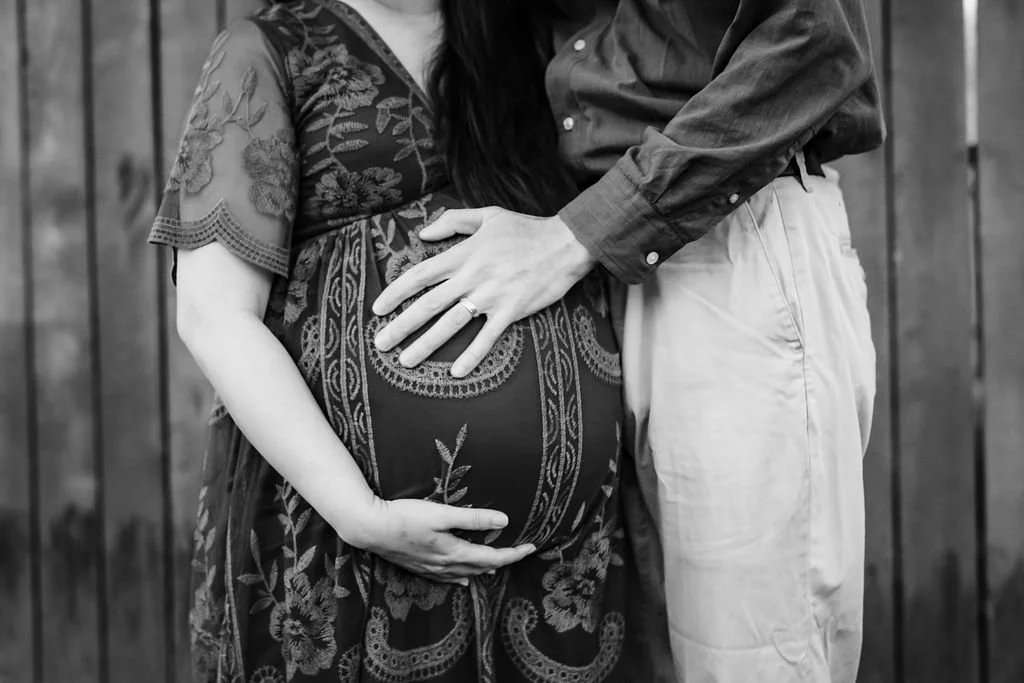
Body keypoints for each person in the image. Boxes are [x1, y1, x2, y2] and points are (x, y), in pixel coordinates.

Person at [149, 0, 666, 681]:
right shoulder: (272, 50)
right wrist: (358, 510)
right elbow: (214, 315)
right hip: (346, 544)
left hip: (563, 566)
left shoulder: (532, 46)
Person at [372, 1, 884, 681]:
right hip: (601, 262)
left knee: (752, 657)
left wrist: (578, 234)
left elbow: (815, 39)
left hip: (722, 239)